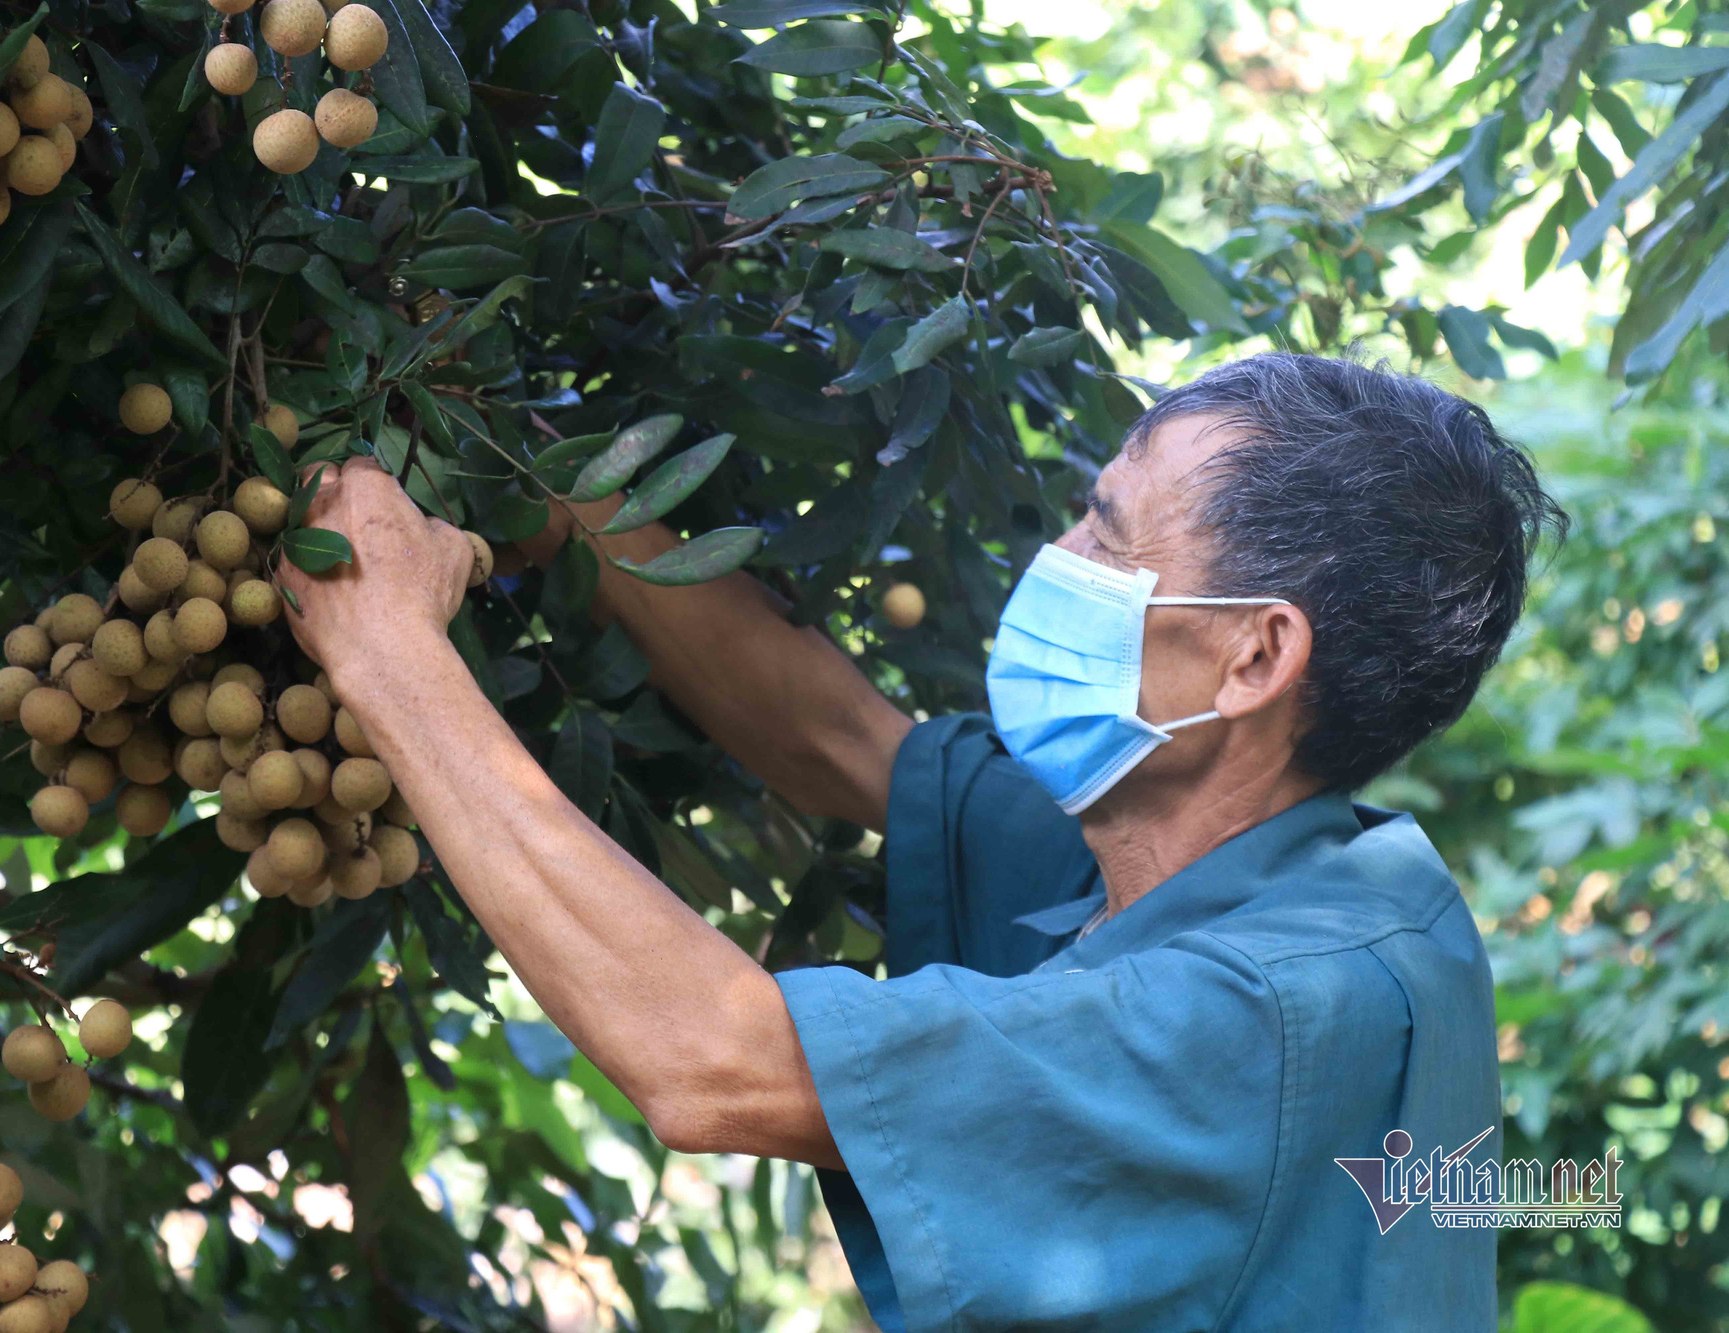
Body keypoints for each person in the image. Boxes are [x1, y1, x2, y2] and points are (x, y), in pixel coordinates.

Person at [278, 353, 1567, 1332]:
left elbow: (710, 1062)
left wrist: (388, 651)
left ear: (1256, 655)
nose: (1056, 561)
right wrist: (563, 497)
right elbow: (838, 742)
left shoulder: (1261, 1014)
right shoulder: (1272, 862)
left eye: (1105, 537)